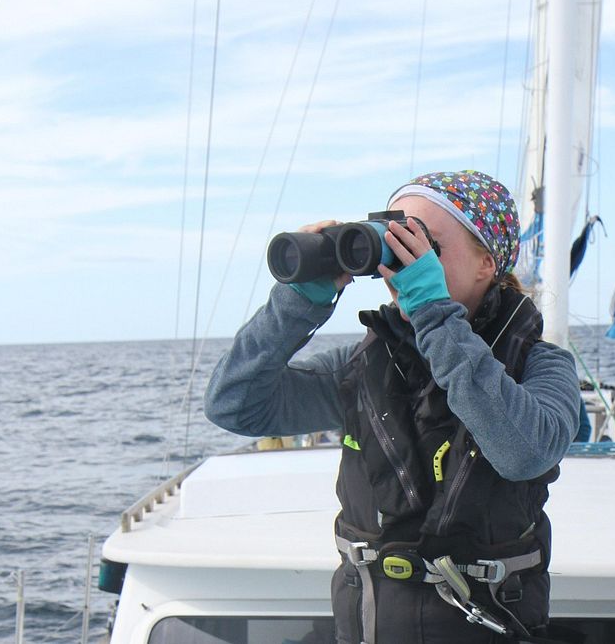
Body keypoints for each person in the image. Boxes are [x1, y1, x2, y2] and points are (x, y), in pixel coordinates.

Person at [205, 170, 581, 644]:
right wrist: (297, 302)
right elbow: (236, 406)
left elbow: (523, 452)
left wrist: (432, 312)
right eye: (396, 240)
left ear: (487, 263)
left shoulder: (542, 368)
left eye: (425, 247)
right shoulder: (364, 367)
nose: (405, 263)